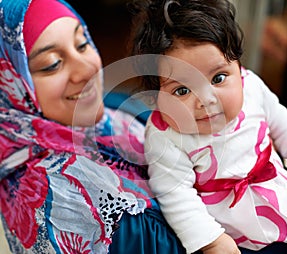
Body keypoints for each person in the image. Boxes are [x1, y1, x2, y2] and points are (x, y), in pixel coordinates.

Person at [0, 0, 187, 253]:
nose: (87, 70)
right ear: (11, 86)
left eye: (82, 44)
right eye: (53, 64)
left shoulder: (112, 109)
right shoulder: (70, 197)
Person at [128, 0, 287, 253]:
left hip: (282, 189)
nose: (206, 99)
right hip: (234, 228)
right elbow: (176, 195)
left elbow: (280, 120)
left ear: (238, 67)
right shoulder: (166, 136)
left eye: (218, 78)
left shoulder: (250, 86)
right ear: (156, 100)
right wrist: (211, 240)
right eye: (182, 90)